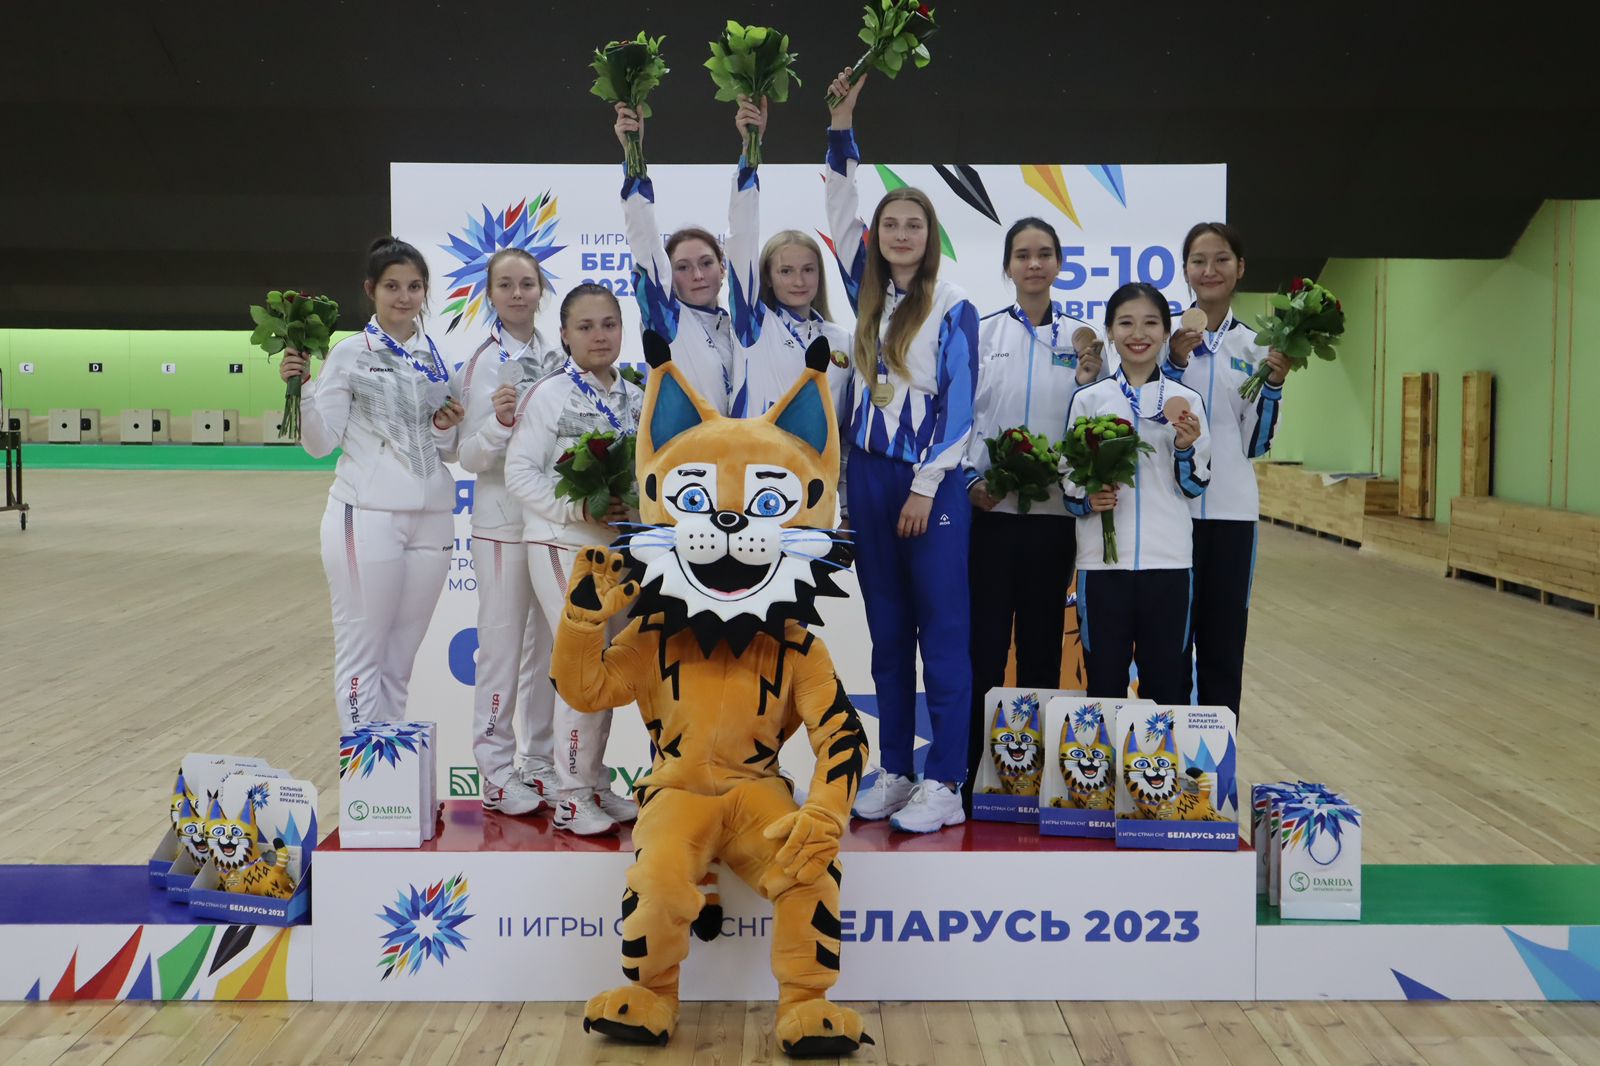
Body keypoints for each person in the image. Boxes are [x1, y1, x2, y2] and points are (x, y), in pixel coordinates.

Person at [824, 69, 979, 833]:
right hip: (869, 481)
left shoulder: (953, 307)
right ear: (876, 237)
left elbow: (959, 409)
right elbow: (838, 203)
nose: (901, 234)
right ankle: (894, 770)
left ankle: (945, 780)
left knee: (941, 635)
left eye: (915, 224)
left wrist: (924, 486)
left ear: (931, 236)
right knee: (887, 638)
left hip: (930, 487)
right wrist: (840, 126)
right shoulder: (865, 296)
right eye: (891, 224)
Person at [283, 236, 465, 730]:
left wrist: (443, 427)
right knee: (363, 655)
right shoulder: (349, 354)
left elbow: (450, 449)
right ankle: (363, 771)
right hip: (365, 518)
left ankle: (390, 772)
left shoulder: (439, 358)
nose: (404, 297)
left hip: (432, 521)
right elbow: (320, 443)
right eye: (392, 286)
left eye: (414, 286)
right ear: (371, 290)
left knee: (399, 662)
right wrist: (302, 390)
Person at [963, 217, 1105, 796]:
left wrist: (1089, 377)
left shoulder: (1083, 340)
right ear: (1008, 265)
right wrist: (972, 483)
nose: (1034, 264)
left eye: (1045, 253)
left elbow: (1096, 419)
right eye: (1022, 254)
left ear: (1059, 263)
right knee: (985, 649)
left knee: (1043, 649)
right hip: (990, 514)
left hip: (1054, 519)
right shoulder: (982, 333)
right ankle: (974, 774)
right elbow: (963, 417)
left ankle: (1035, 780)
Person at [503, 283, 643, 835]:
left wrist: (634, 505)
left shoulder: (634, 395)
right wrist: (576, 506)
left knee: (606, 670)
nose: (599, 335)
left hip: (619, 548)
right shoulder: (549, 393)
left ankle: (593, 782)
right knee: (582, 668)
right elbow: (519, 473)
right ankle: (570, 795)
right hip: (563, 544)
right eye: (585, 327)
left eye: (609, 324)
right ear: (564, 334)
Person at [453, 249, 564, 816]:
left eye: (527, 283)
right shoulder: (479, 365)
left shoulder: (560, 356)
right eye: (506, 285)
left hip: (553, 525)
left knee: (549, 653)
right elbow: (467, 455)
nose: (518, 293)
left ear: (541, 290)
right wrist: (498, 423)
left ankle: (539, 763)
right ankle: (496, 772)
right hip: (500, 526)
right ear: (490, 294)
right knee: (499, 651)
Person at [1063, 282, 1210, 706]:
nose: (1138, 333)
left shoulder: (1187, 401)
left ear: (1165, 332)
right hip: (1101, 566)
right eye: (1126, 323)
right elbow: (1068, 477)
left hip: (1170, 565)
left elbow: (1195, 485)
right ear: (1109, 331)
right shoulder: (1089, 399)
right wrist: (1089, 499)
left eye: (1151, 323)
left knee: (1166, 687)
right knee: (1103, 686)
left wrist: (1184, 448)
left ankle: (1159, 756)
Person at [1163, 223, 1288, 721]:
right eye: (1198, 260)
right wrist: (1174, 362)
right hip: (1170, 512)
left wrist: (1274, 384)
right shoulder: (1162, 339)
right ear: (1185, 270)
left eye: (1221, 259)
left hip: (1232, 514)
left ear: (1240, 268)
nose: (1209, 270)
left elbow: (1256, 443)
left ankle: (1215, 763)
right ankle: (1164, 757)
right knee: (1170, 646)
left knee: (1223, 646)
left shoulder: (1258, 348)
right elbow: (1147, 418)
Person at [725, 95, 854, 422]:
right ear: (767, 277)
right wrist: (749, 151)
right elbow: (741, 239)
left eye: (808, 270)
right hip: (757, 454)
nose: (799, 280)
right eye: (785, 271)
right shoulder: (754, 326)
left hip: (823, 458)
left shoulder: (842, 340)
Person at [613, 103, 734, 413]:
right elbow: (645, 241)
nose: (697, 275)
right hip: (686, 445)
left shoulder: (740, 329)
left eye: (706, 263)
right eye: (682, 267)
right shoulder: (668, 320)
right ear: (668, 276)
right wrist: (633, 154)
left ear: (722, 267)